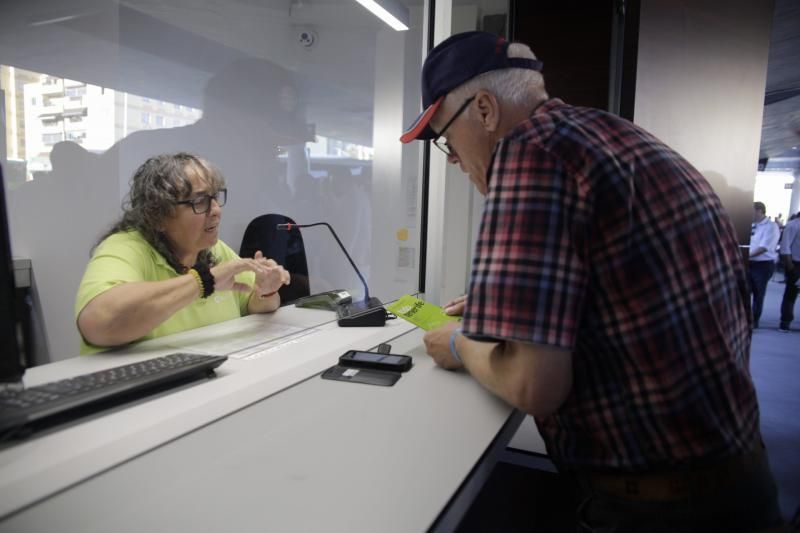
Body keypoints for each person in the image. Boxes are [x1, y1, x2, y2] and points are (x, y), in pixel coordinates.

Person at [401, 31, 783, 532]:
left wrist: (461, 343)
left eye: (448, 142)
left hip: (660, 510)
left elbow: (534, 385)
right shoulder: (615, 135)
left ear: (486, 111)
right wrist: (513, 302)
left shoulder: (528, 153)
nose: (454, 161)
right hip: (737, 481)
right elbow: (621, 286)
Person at [75, 153, 290, 354]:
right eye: (199, 201)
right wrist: (204, 281)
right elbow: (99, 323)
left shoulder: (213, 248)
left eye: (214, 197)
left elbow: (253, 305)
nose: (216, 210)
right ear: (157, 216)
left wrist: (266, 292)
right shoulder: (125, 247)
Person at [749, 201, 780, 328]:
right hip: (749, 263)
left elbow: (763, 247)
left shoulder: (771, 227)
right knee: (744, 291)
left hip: (763, 265)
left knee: (758, 293)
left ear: (759, 210)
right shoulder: (751, 225)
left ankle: (754, 321)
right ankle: (745, 317)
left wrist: (745, 255)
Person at [778, 212, 800, 332]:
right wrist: (791, 268)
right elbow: (785, 247)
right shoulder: (793, 225)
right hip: (796, 264)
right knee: (791, 293)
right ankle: (785, 322)